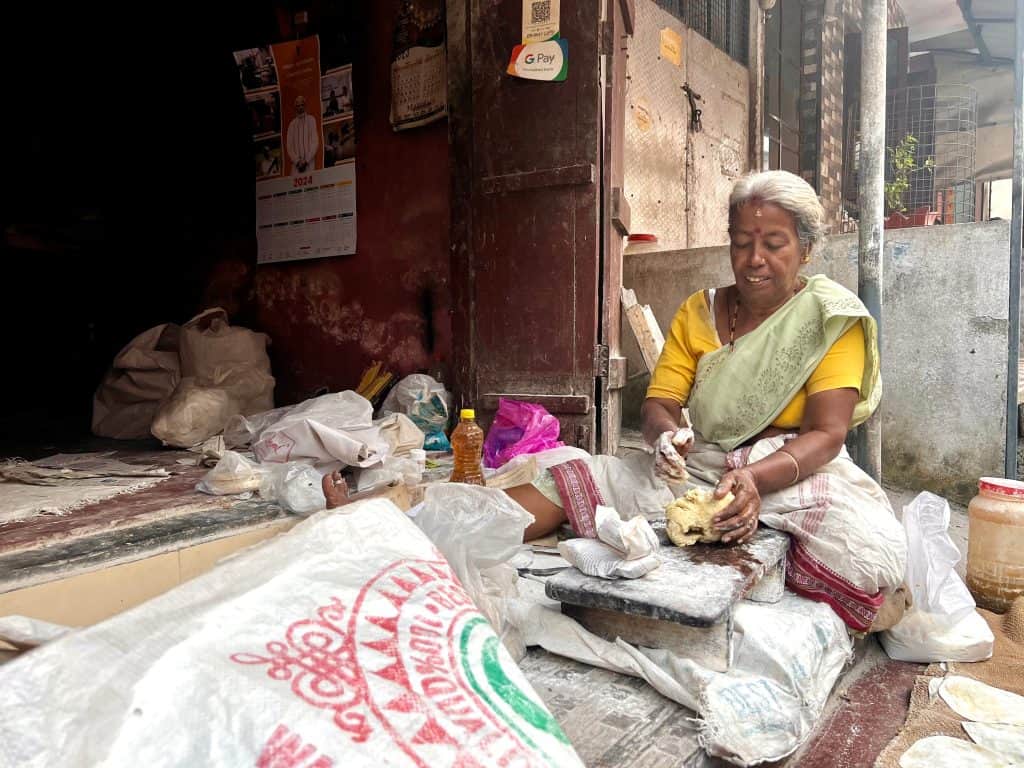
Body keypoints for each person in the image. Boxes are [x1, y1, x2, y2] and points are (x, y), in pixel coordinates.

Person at [322, 170, 909, 634]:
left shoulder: (830, 318)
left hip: (790, 468)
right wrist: (662, 438)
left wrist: (754, 479)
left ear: (806, 249)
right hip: (698, 463)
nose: (755, 259)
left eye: (774, 244)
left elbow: (828, 434)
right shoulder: (699, 311)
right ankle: (399, 527)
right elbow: (662, 402)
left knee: (862, 555)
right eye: (742, 243)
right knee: (576, 477)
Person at [286, 94, 319, 174]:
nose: (300, 107)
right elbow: (289, 146)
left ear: (305, 105)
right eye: (298, 105)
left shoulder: (311, 120)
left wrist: (306, 161)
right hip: (296, 166)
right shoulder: (292, 124)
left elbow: (315, 142)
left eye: (302, 105)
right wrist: (297, 162)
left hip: (309, 163)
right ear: (295, 107)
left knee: (312, 186)